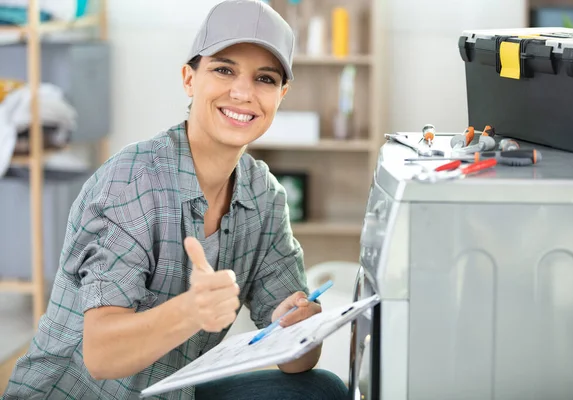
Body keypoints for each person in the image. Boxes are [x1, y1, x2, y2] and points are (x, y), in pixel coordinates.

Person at [2, 1, 349, 399]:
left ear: (281, 94)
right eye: (224, 69)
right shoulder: (131, 182)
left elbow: (297, 361)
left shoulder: (264, 197)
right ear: (189, 78)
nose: (243, 92)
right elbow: (101, 355)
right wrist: (191, 311)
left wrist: (303, 326)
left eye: (265, 79)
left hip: (171, 392)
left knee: (321, 390)